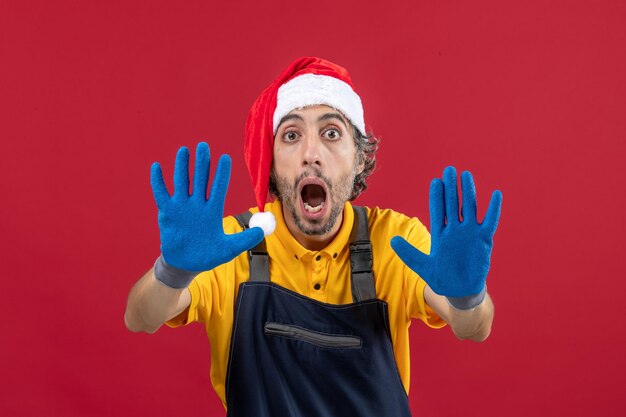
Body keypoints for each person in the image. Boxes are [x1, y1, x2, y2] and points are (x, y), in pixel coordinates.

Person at [124, 57, 503, 417]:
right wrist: (173, 271)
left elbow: (472, 327)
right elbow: (141, 318)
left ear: (358, 157)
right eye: (291, 135)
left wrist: (467, 295)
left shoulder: (394, 240)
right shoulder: (231, 243)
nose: (310, 153)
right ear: (270, 161)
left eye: (331, 133)